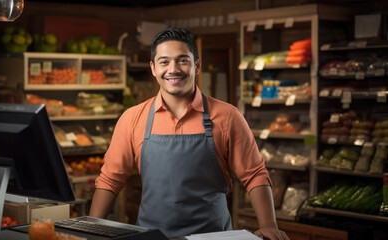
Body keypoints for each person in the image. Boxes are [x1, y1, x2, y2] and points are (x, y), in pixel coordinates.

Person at [89, 27, 289, 240]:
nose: (173, 69)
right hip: (152, 236)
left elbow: (254, 174)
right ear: (153, 68)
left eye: (182, 60)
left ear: (197, 65)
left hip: (213, 237)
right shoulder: (132, 119)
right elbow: (110, 180)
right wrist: (89, 230)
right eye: (164, 62)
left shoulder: (228, 116)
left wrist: (268, 224)